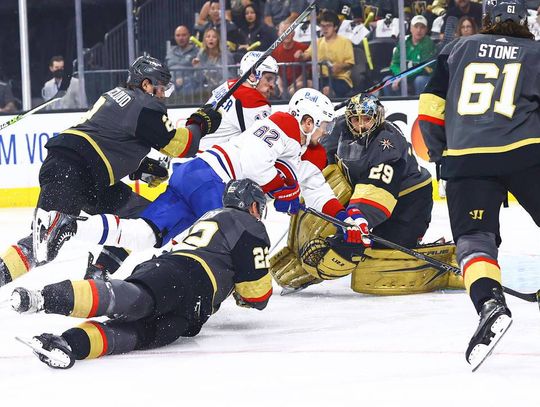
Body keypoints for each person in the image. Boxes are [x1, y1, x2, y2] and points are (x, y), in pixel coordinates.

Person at [35, 88, 354, 272]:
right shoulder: (284, 122)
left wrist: (344, 219)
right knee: (221, 246)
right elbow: (258, 165)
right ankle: (185, 283)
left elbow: (315, 187)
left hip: (195, 175)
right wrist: (283, 192)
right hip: (214, 182)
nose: (327, 131)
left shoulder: (299, 152)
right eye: (324, 124)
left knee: (146, 233)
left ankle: (70, 226)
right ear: (308, 120)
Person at [0, 55, 221, 288]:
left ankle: (99, 270)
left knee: (142, 219)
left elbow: (106, 139)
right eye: (160, 88)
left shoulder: (115, 95)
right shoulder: (146, 105)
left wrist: (138, 167)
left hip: (82, 169)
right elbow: (180, 146)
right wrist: (200, 124)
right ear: (146, 84)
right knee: (44, 245)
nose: (163, 95)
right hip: (74, 169)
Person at [10, 179, 272, 369]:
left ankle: (67, 344)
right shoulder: (250, 226)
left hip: (185, 291)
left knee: (135, 332)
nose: (260, 213)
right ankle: (41, 299)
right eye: (259, 206)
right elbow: (257, 296)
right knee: (134, 311)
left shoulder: (210, 216)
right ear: (250, 206)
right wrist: (242, 289)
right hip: (189, 278)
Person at [418, 0, 538, 370]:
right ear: (524, 20)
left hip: (466, 158)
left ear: (487, 19)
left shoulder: (455, 49)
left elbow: (428, 109)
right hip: (526, 153)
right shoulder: (536, 53)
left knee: (475, 239)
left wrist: (443, 155)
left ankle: (489, 303)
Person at [271, 94, 443, 294]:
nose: (360, 125)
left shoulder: (387, 139)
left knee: (380, 254)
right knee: (345, 237)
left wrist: (358, 218)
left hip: (408, 201)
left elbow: (377, 188)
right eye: (355, 119)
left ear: (377, 118)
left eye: (366, 119)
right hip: (363, 193)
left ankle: (411, 242)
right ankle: (310, 265)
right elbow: (320, 166)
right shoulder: (337, 130)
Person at [200, 51, 278, 149]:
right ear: (252, 75)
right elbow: (265, 148)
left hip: (191, 153)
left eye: (274, 79)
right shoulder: (255, 102)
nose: (272, 85)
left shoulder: (230, 84)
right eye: (268, 79)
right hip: (206, 159)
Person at [295, 10, 355, 97]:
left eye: (328, 26)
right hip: (321, 79)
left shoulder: (345, 41)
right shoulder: (317, 42)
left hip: (341, 79)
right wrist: (300, 55)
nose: (325, 29)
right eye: (322, 26)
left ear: (335, 27)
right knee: (299, 86)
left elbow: (350, 63)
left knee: (326, 90)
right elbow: (305, 56)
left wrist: (339, 66)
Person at [383, 15, 436, 96]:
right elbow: (394, 63)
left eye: (422, 27)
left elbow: (422, 67)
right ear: (411, 28)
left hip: (423, 76)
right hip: (403, 77)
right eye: (416, 27)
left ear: (426, 30)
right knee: (387, 81)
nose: (419, 30)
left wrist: (403, 77)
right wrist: (399, 76)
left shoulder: (428, 43)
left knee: (419, 80)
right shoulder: (404, 42)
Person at [192, 27, 236, 97]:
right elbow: (198, 79)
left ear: (218, 40)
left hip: (223, 89)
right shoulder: (201, 54)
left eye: (214, 37)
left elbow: (230, 76)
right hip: (206, 90)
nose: (211, 39)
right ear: (204, 40)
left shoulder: (226, 55)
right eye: (208, 36)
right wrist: (197, 68)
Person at [272, 20, 310, 98]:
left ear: (294, 33)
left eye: (289, 31)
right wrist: (282, 89)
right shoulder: (275, 51)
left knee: (295, 89)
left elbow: (306, 72)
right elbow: (277, 74)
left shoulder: (303, 48)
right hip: (283, 85)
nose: (286, 34)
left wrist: (293, 86)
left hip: (301, 83)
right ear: (278, 34)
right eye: (283, 31)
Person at [165, 25, 199, 96]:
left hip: (189, 86)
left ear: (189, 36)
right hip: (171, 85)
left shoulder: (197, 52)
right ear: (174, 37)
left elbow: (199, 74)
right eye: (178, 35)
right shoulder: (170, 53)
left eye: (184, 35)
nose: (181, 38)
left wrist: (184, 80)